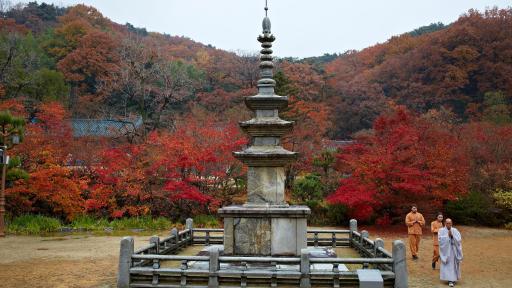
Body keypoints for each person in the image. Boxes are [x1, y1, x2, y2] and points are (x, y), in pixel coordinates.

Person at [438, 218, 463, 287]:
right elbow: (440, 240)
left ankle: (452, 279)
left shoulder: (455, 230)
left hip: (453, 251)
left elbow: (459, 240)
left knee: (452, 265)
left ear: (452, 223)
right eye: (447, 223)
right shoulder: (441, 230)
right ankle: (448, 279)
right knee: (447, 265)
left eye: (450, 223)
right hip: (446, 251)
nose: (449, 224)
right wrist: (447, 236)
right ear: (445, 223)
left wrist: (452, 236)